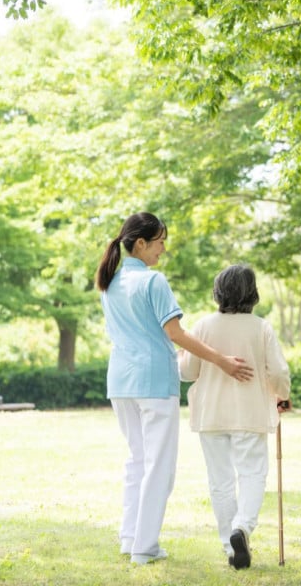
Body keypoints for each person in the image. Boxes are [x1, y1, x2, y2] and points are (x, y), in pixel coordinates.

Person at [95, 213, 253, 566]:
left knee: (137, 460)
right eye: (160, 242)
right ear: (141, 244)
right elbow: (176, 334)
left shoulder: (110, 282)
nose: (163, 249)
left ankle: (130, 537)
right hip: (153, 382)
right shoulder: (153, 282)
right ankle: (144, 546)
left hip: (121, 382)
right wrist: (222, 360)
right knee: (159, 467)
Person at [180, 264, 291, 570]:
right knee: (252, 473)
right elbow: (279, 372)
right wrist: (281, 394)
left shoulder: (202, 326)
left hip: (211, 413)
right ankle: (241, 527)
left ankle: (231, 546)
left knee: (220, 481)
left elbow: (188, 372)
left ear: (218, 291)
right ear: (252, 292)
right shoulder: (260, 327)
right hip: (250, 411)